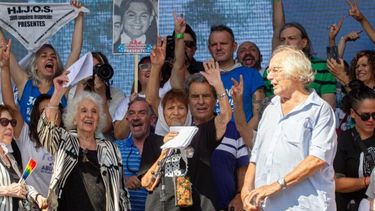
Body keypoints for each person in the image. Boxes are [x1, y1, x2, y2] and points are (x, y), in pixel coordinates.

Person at [241, 45, 337, 211]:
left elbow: (317, 159)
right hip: (267, 206)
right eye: (269, 70)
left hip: (306, 206)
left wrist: (277, 185)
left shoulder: (320, 109)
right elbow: (256, 154)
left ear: (296, 72)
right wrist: (246, 190)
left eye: (275, 70)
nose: (269, 76)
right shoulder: (270, 107)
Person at [37, 73, 130, 210]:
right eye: (83, 110)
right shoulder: (64, 140)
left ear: (98, 119)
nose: (89, 115)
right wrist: (57, 94)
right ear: (74, 118)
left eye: (94, 111)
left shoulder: (110, 149)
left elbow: (120, 191)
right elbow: (45, 131)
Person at [0, 0, 84, 124]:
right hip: (26, 142)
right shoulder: (24, 84)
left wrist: (79, 16)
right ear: (35, 66)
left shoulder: (62, 85)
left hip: (56, 142)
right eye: (43, 56)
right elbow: (5, 48)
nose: (49, 58)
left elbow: (75, 51)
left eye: (53, 56)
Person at [1, 39, 59, 197]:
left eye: (51, 110)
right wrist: (4, 66)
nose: (47, 114)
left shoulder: (66, 142)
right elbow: (10, 105)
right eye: (42, 110)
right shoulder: (27, 137)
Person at [263, 0, 337, 109]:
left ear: (304, 42)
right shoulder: (271, 72)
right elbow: (270, 108)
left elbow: (329, 108)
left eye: (291, 38)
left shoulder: (323, 67)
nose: (286, 43)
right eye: (283, 39)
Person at [334, 80, 375, 211]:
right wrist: (370, 181)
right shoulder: (342, 140)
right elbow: (337, 183)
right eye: (365, 116)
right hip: (350, 205)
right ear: (352, 113)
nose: (371, 120)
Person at [115, 97, 161, 211]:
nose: (135, 117)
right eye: (131, 113)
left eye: (142, 113)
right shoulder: (115, 148)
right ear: (127, 119)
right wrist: (123, 181)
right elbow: (103, 180)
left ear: (152, 120)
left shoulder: (163, 148)